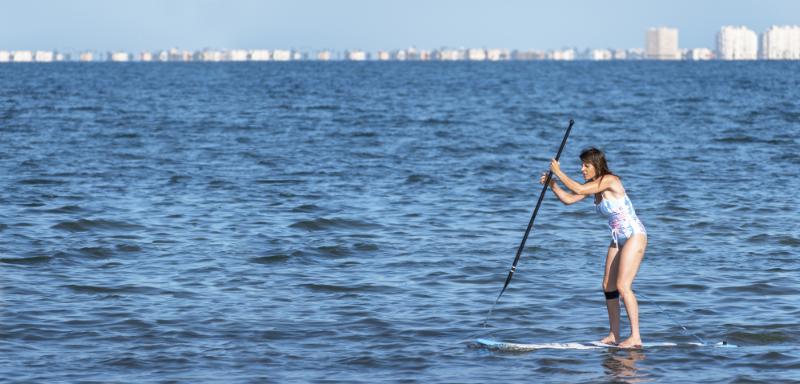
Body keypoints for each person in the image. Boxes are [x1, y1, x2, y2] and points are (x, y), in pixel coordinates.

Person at [539, 147, 647, 348]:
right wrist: (552, 184)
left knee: (623, 286)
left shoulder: (610, 180)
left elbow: (578, 190)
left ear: (596, 165)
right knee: (608, 285)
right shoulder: (594, 185)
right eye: (581, 165)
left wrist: (559, 172)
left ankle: (635, 337)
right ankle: (614, 334)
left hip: (634, 235)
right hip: (617, 238)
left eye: (586, 165)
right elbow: (570, 200)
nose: (582, 169)